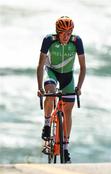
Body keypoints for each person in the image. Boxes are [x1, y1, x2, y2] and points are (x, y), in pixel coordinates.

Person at [37, 16, 86, 163]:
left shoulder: (76, 41)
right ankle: (46, 124)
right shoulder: (49, 40)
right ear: (57, 32)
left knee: (68, 110)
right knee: (51, 93)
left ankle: (65, 147)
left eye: (69, 33)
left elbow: (83, 67)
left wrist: (79, 87)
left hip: (67, 77)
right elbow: (40, 66)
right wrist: (40, 88)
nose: (66, 36)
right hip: (51, 72)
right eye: (63, 33)